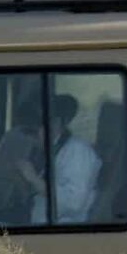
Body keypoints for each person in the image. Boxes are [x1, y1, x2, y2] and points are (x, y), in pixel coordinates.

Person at [51, 92, 102, 226]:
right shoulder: (52, 149)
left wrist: (34, 180)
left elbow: (75, 202)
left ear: (59, 121)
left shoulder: (78, 151)